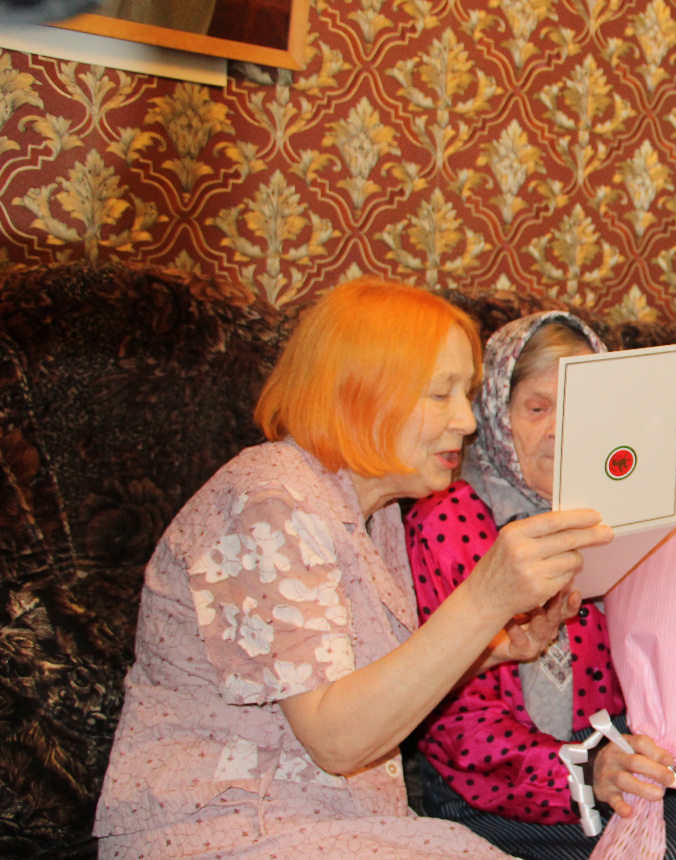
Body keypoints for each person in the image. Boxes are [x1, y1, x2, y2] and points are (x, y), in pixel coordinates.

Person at [92, 280, 612, 859]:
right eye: (440, 395)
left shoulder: (374, 514)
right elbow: (337, 741)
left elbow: (369, 691)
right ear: (361, 393)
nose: (467, 421)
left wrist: (491, 649)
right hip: (225, 827)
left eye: (465, 394)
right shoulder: (268, 500)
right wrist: (484, 599)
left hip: (338, 822)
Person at [406, 312, 676, 860]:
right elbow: (452, 720)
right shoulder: (449, 521)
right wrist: (587, 769)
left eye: (582, 408)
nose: (561, 430)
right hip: (495, 787)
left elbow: (667, 672)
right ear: (496, 415)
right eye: (537, 408)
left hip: (628, 758)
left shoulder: (629, 505)